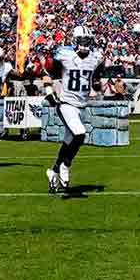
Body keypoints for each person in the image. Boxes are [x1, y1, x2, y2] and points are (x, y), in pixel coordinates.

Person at [44, 26, 104, 193]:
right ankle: (65, 165)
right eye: (82, 40)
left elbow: (95, 78)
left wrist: (98, 87)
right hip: (66, 104)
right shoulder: (64, 54)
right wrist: (49, 92)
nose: (85, 44)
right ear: (75, 40)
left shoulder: (96, 58)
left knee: (68, 142)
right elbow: (48, 72)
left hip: (81, 106)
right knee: (80, 134)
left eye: (88, 41)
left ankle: (53, 171)